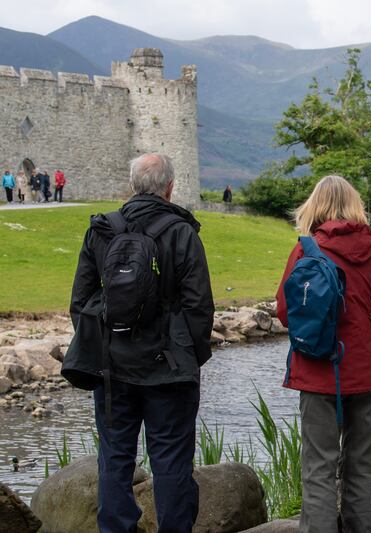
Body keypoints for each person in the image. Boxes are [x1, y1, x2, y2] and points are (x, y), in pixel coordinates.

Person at [63, 153, 214, 532]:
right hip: (169, 369)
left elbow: (81, 301)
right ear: (170, 187)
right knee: (171, 460)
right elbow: (199, 306)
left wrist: (102, 344)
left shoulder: (101, 230)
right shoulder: (181, 232)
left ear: (132, 186)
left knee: (114, 457)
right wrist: (190, 355)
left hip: (112, 367)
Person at [276, 175, 371, 532]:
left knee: (318, 470)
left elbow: (286, 312)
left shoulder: (307, 249)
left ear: (314, 205)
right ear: (355, 205)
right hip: (364, 371)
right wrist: (365, 332)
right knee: (361, 469)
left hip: (317, 370)